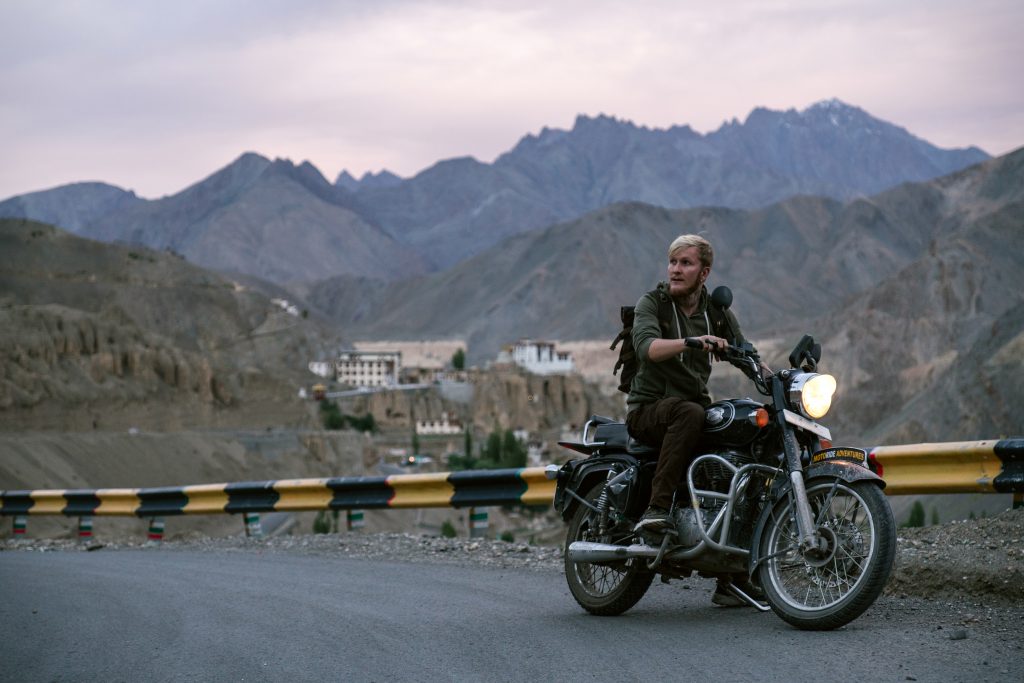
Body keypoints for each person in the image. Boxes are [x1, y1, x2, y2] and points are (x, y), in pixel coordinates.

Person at [624, 233, 757, 607]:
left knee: (744, 438)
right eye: (673, 262)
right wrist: (692, 342)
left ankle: (733, 575)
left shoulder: (715, 311)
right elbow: (647, 348)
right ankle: (656, 512)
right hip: (650, 410)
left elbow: (743, 352)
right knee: (690, 411)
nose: (676, 270)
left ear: (705, 272)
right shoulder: (653, 303)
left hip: (690, 413)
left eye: (686, 263)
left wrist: (776, 376)